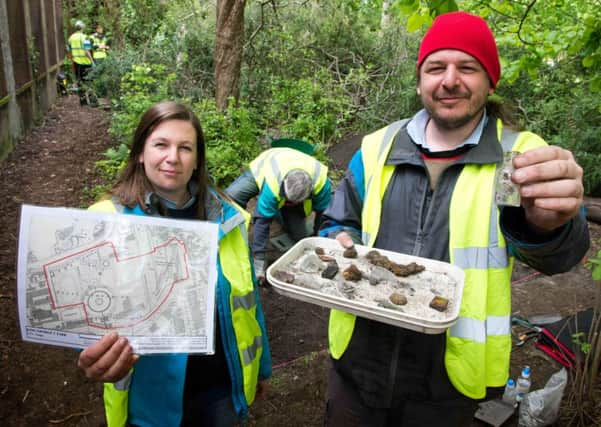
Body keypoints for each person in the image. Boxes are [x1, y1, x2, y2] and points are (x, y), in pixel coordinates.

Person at [319, 11, 589, 427]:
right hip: (358, 362)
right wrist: (339, 238)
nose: (449, 80)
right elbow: (340, 222)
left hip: (450, 378)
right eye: (435, 68)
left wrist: (548, 225)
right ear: (420, 80)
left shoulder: (515, 157)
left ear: (489, 80)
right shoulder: (377, 148)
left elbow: (552, 254)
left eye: (467, 67)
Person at [77, 101, 272, 426]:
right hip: (150, 405)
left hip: (221, 392)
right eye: (161, 145)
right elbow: (84, 318)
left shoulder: (228, 220)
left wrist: (261, 367)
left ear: (197, 160)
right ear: (140, 153)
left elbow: (249, 301)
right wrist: (90, 355)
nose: (173, 157)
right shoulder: (106, 223)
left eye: (185, 147)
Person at [226, 147, 332, 285]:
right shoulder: (273, 184)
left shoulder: (321, 183)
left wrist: (320, 242)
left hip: (295, 179)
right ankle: (228, 232)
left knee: (299, 236)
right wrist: (259, 263)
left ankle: (277, 210)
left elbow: (323, 216)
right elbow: (262, 223)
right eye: (288, 200)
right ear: (283, 187)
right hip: (266, 163)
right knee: (231, 196)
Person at [66, 20, 94, 104]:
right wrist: (92, 61)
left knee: (79, 81)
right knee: (88, 81)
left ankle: (83, 101)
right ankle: (92, 100)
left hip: (76, 63)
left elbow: (69, 51)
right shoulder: (85, 37)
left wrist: (72, 61)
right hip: (86, 63)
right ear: (82, 28)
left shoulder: (71, 38)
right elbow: (87, 51)